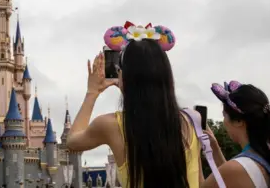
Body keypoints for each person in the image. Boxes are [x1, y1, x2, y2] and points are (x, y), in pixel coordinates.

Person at [66, 23, 202, 188]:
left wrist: (92, 93)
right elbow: (199, 182)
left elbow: (72, 142)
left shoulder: (111, 125)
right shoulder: (193, 121)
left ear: (125, 76)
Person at [201, 81, 270, 188]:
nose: (224, 122)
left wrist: (193, 154)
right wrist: (214, 148)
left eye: (224, 116)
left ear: (239, 121)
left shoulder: (236, 170)